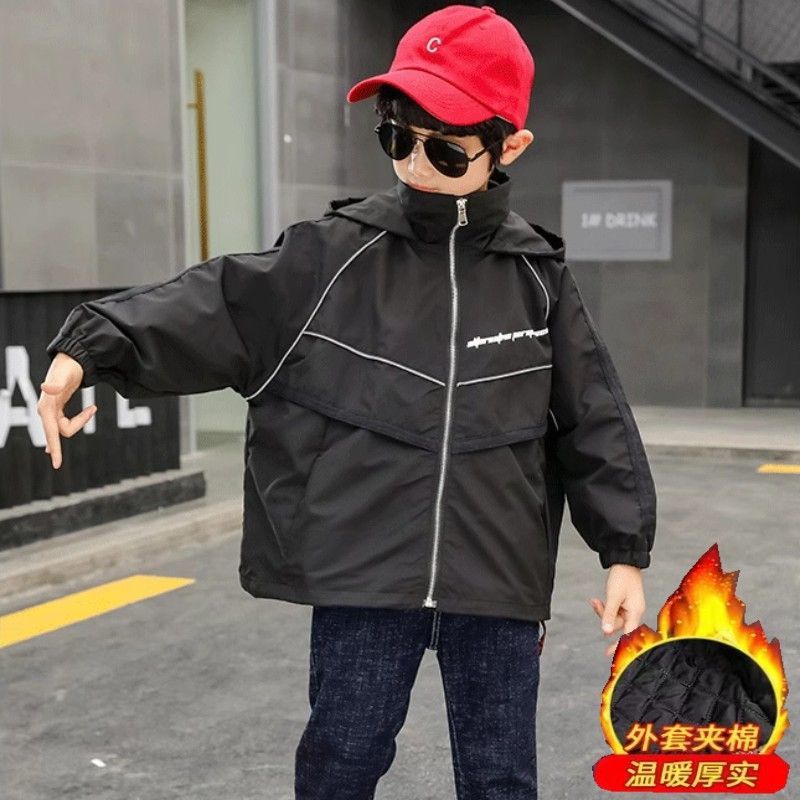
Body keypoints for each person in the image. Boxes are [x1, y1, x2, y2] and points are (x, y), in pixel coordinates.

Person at [38, 5, 656, 798]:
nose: (416, 164)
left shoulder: (539, 281)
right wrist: (85, 349)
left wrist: (623, 552)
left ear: (511, 146)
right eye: (397, 137)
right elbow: (215, 304)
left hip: (499, 582)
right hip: (364, 581)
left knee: (501, 778)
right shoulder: (330, 258)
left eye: (444, 148)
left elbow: (592, 419)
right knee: (340, 763)